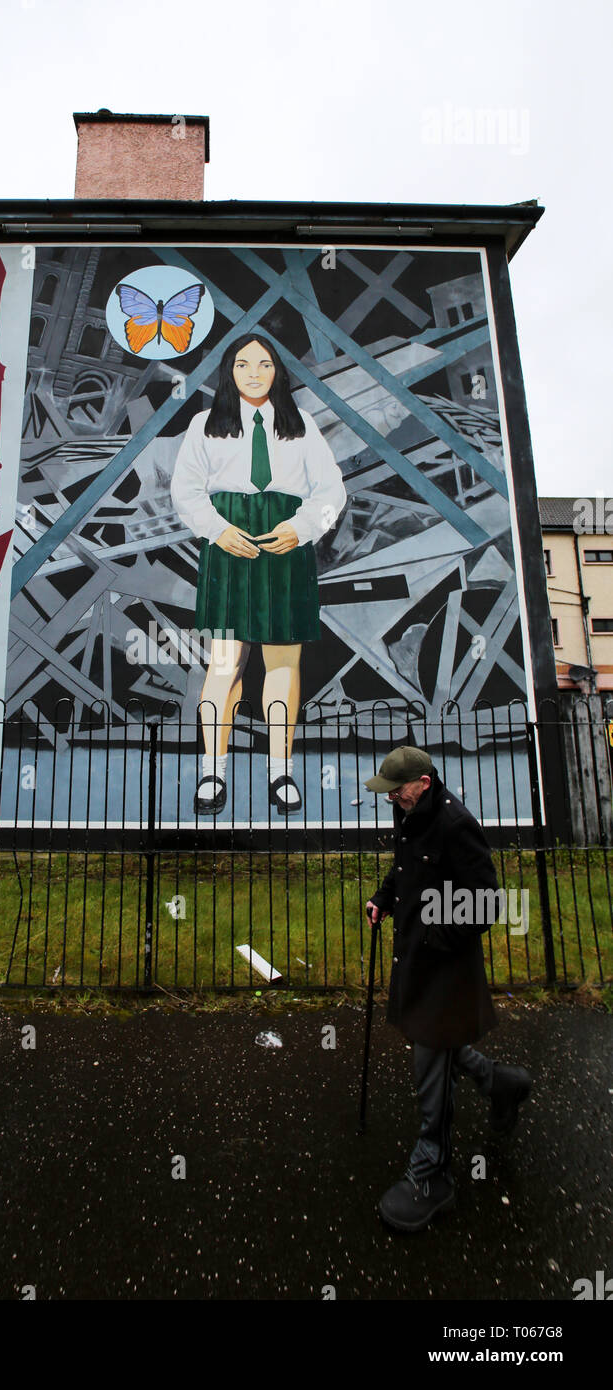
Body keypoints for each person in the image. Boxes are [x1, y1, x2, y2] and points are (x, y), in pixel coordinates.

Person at [170, 333, 346, 816]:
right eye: (243, 363)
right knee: (225, 665)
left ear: (277, 372)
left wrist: (302, 527)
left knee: (283, 666)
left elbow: (332, 490)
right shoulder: (205, 426)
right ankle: (212, 772)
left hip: (285, 547)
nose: (253, 372)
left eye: (264, 363)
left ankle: (280, 771)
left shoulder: (302, 426)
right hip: (228, 546)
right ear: (229, 371)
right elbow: (185, 491)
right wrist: (216, 531)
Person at [364, 745, 532, 1232]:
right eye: (390, 793)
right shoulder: (412, 815)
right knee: (435, 1045)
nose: (393, 798)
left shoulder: (457, 825)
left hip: (444, 966)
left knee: (429, 1058)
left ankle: (432, 1173)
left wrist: (438, 935)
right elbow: (406, 869)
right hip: (416, 957)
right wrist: (384, 897)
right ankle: (500, 1083)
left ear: (424, 782)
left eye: (398, 790)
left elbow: (487, 901)